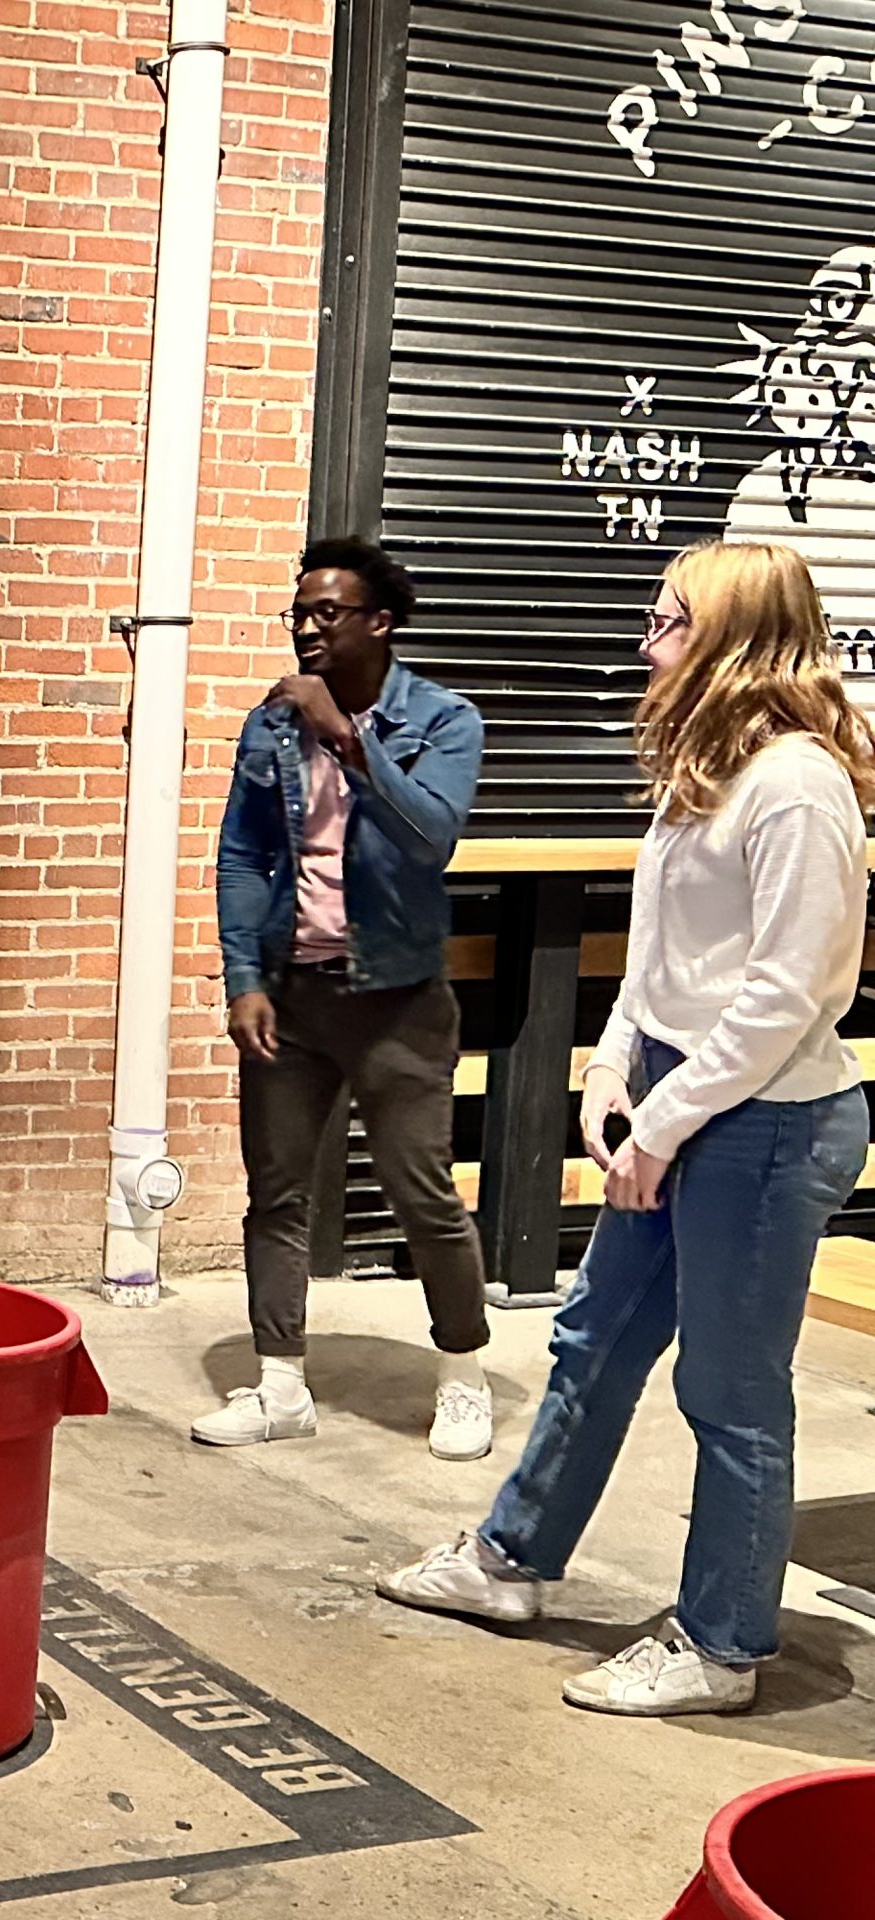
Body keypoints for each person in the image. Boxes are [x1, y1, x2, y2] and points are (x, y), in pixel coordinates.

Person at [382, 540, 875, 1716]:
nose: (647, 645)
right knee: (594, 1342)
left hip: (763, 1124)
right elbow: (662, 954)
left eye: (669, 623)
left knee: (730, 1391)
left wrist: (660, 1121)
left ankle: (719, 1646)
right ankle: (510, 1562)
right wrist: (611, 1063)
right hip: (684, 1094)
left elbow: (786, 993)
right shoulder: (708, 765)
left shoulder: (796, 786)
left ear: (736, 639)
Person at [199, 536, 495, 1459]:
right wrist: (244, 978)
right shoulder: (269, 726)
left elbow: (431, 837)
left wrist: (346, 736)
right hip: (292, 995)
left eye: (327, 613)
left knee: (422, 1194)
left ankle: (463, 1376)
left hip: (398, 1000)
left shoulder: (443, 721)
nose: (307, 629)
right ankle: (279, 1383)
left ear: (381, 623)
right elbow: (242, 856)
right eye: (299, 613)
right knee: (276, 1194)